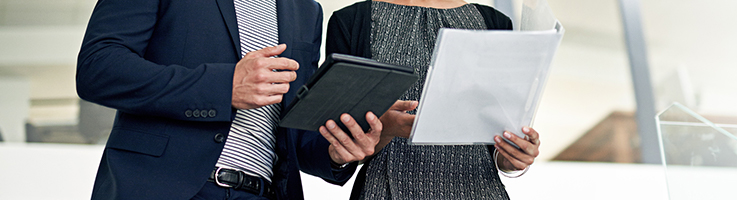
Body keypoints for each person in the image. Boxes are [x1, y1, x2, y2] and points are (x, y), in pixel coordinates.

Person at [76, 0, 381, 199]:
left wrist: (339, 149)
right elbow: (98, 68)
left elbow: (297, 137)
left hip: (262, 192)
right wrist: (224, 86)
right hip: (163, 188)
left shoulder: (306, 10)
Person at [323, 0, 542, 199]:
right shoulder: (351, 21)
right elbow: (340, 148)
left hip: (480, 189)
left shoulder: (494, 23)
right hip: (384, 190)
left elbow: (497, 142)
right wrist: (386, 128)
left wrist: (512, 158)